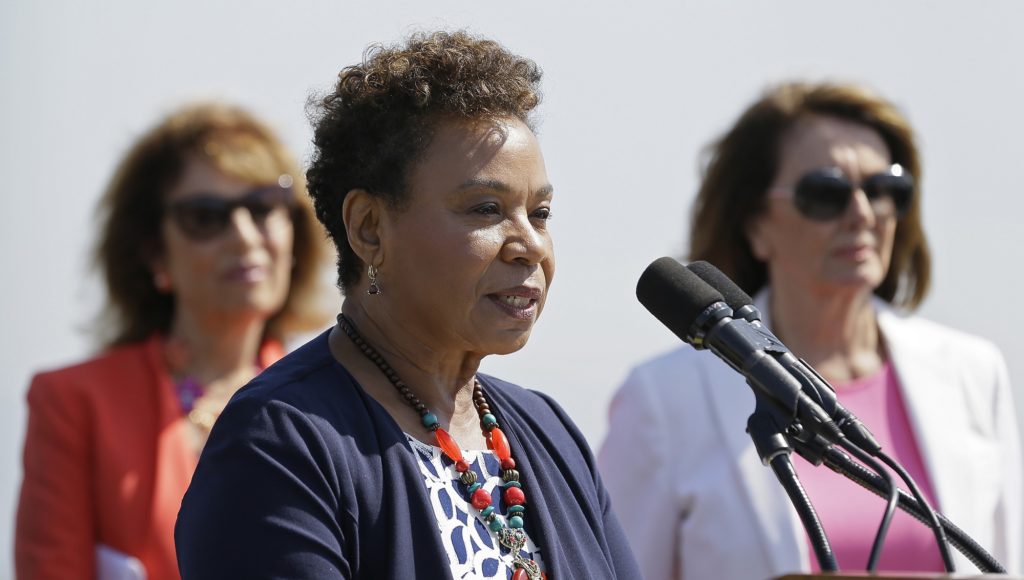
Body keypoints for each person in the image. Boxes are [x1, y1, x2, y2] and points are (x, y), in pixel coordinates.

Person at [173, 30, 641, 580]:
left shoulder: (547, 431)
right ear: (370, 230)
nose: (530, 245)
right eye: (486, 209)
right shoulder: (280, 443)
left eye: (539, 214)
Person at [599, 81, 1022, 578]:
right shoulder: (662, 399)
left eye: (886, 189)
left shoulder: (973, 372)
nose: (863, 214)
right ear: (756, 224)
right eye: (826, 193)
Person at [15, 102, 331, 580]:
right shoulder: (74, 403)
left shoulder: (337, 404)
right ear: (153, 252)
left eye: (265, 206)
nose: (244, 236)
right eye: (206, 216)